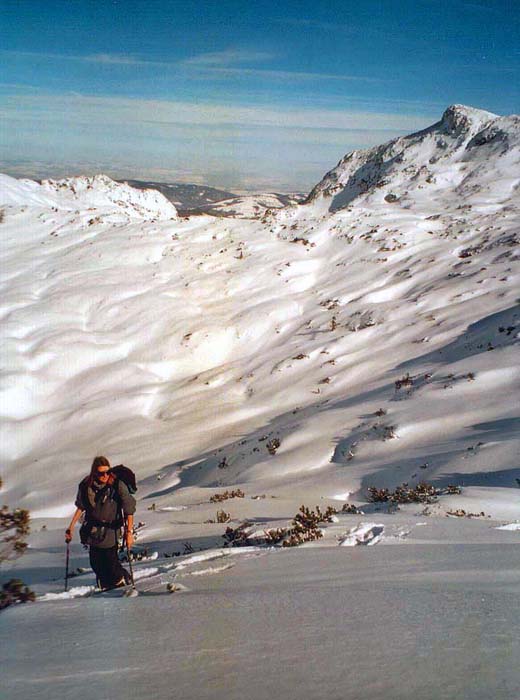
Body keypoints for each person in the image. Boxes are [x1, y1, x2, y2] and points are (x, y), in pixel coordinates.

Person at [65, 456, 136, 590]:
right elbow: (81, 506)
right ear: (94, 473)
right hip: (93, 530)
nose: (105, 476)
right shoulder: (86, 486)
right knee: (96, 563)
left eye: (107, 472)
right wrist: (71, 527)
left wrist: (129, 532)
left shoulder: (117, 485)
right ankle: (108, 584)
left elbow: (129, 508)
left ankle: (119, 583)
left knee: (110, 562)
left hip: (111, 530)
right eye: (101, 473)